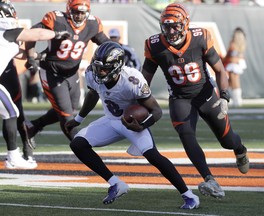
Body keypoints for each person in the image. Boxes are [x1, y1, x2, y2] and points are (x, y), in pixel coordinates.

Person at [65, 41, 200, 209]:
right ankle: (116, 184)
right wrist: (78, 119)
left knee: (152, 155)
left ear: (117, 66)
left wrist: (142, 125)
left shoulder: (131, 80)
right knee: (78, 144)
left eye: (104, 68)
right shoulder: (92, 74)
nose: (99, 71)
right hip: (112, 121)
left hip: (132, 123)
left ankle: (189, 195)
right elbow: (93, 94)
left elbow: (157, 111)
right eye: (97, 66)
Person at [141, 3, 249, 199]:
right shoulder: (154, 45)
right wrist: (139, 99)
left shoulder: (200, 38)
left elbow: (220, 70)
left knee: (228, 140)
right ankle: (209, 179)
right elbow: (144, 79)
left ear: (185, 24)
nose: (171, 31)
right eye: (166, 26)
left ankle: (240, 150)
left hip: (206, 95)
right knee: (186, 134)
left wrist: (224, 96)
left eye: (175, 26)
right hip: (179, 98)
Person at [25, 0, 110, 141]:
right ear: (69, 10)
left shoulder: (92, 24)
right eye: (76, 12)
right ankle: (81, 147)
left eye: (83, 12)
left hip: (72, 73)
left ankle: (33, 126)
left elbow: (105, 43)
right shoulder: (57, 20)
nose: (79, 16)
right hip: (52, 72)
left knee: (71, 110)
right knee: (67, 116)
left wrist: (116, 51)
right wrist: (30, 57)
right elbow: (32, 34)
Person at [0, 0, 71, 169]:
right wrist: (56, 34)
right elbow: (36, 35)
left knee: (11, 111)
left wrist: (37, 57)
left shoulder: (7, 35)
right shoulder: (6, 30)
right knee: (11, 112)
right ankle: (13, 156)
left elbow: (19, 53)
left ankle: (13, 156)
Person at [0, 60, 37, 165]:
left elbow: (22, 50)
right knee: (11, 112)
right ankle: (13, 155)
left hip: (7, 71)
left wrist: (31, 57)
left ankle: (26, 150)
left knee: (15, 111)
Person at [223, 27, 247, 107]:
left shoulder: (233, 44)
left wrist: (224, 60)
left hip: (233, 64)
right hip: (237, 63)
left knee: (234, 82)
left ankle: (238, 100)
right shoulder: (241, 43)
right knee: (230, 82)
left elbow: (231, 56)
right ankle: (234, 99)